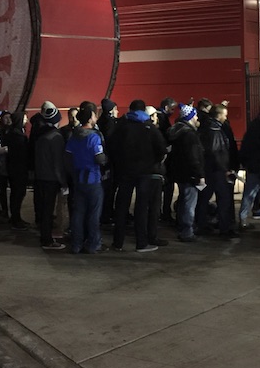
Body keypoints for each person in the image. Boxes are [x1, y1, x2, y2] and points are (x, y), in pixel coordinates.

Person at [110, 101, 167, 252]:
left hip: (125, 172)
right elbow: (161, 149)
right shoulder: (149, 127)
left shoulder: (121, 126)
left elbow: (112, 147)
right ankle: (141, 243)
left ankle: (117, 243)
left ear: (130, 110)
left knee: (121, 207)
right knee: (141, 207)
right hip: (145, 173)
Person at [65, 106, 108, 254]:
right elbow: (99, 158)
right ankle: (93, 244)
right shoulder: (93, 136)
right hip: (93, 178)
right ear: (90, 118)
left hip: (77, 178)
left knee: (78, 213)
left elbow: (68, 156)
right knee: (93, 214)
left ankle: (76, 244)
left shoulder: (73, 135)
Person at [197, 103, 238, 239]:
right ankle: (224, 228)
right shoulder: (215, 130)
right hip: (217, 171)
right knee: (223, 199)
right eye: (225, 115)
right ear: (219, 115)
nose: (226, 118)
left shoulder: (208, 128)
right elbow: (215, 153)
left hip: (210, 170)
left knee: (204, 198)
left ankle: (201, 224)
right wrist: (224, 169)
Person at [167, 104, 206, 242]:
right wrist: (199, 174)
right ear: (190, 117)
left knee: (184, 200)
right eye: (195, 115)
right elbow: (193, 157)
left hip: (180, 172)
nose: (197, 118)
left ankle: (182, 226)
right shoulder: (190, 135)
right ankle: (187, 231)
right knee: (189, 203)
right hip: (190, 174)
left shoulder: (177, 132)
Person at [33, 103, 68, 250]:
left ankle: (44, 235)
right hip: (50, 179)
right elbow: (57, 163)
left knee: (44, 210)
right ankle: (46, 240)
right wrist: (64, 182)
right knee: (48, 210)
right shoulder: (56, 137)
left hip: (40, 177)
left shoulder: (40, 136)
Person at [5, 112, 29, 228]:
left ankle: (16, 217)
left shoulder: (14, 133)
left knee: (17, 194)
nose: (26, 120)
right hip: (18, 169)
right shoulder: (17, 136)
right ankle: (15, 218)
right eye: (24, 118)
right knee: (17, 194)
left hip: (15, 168)